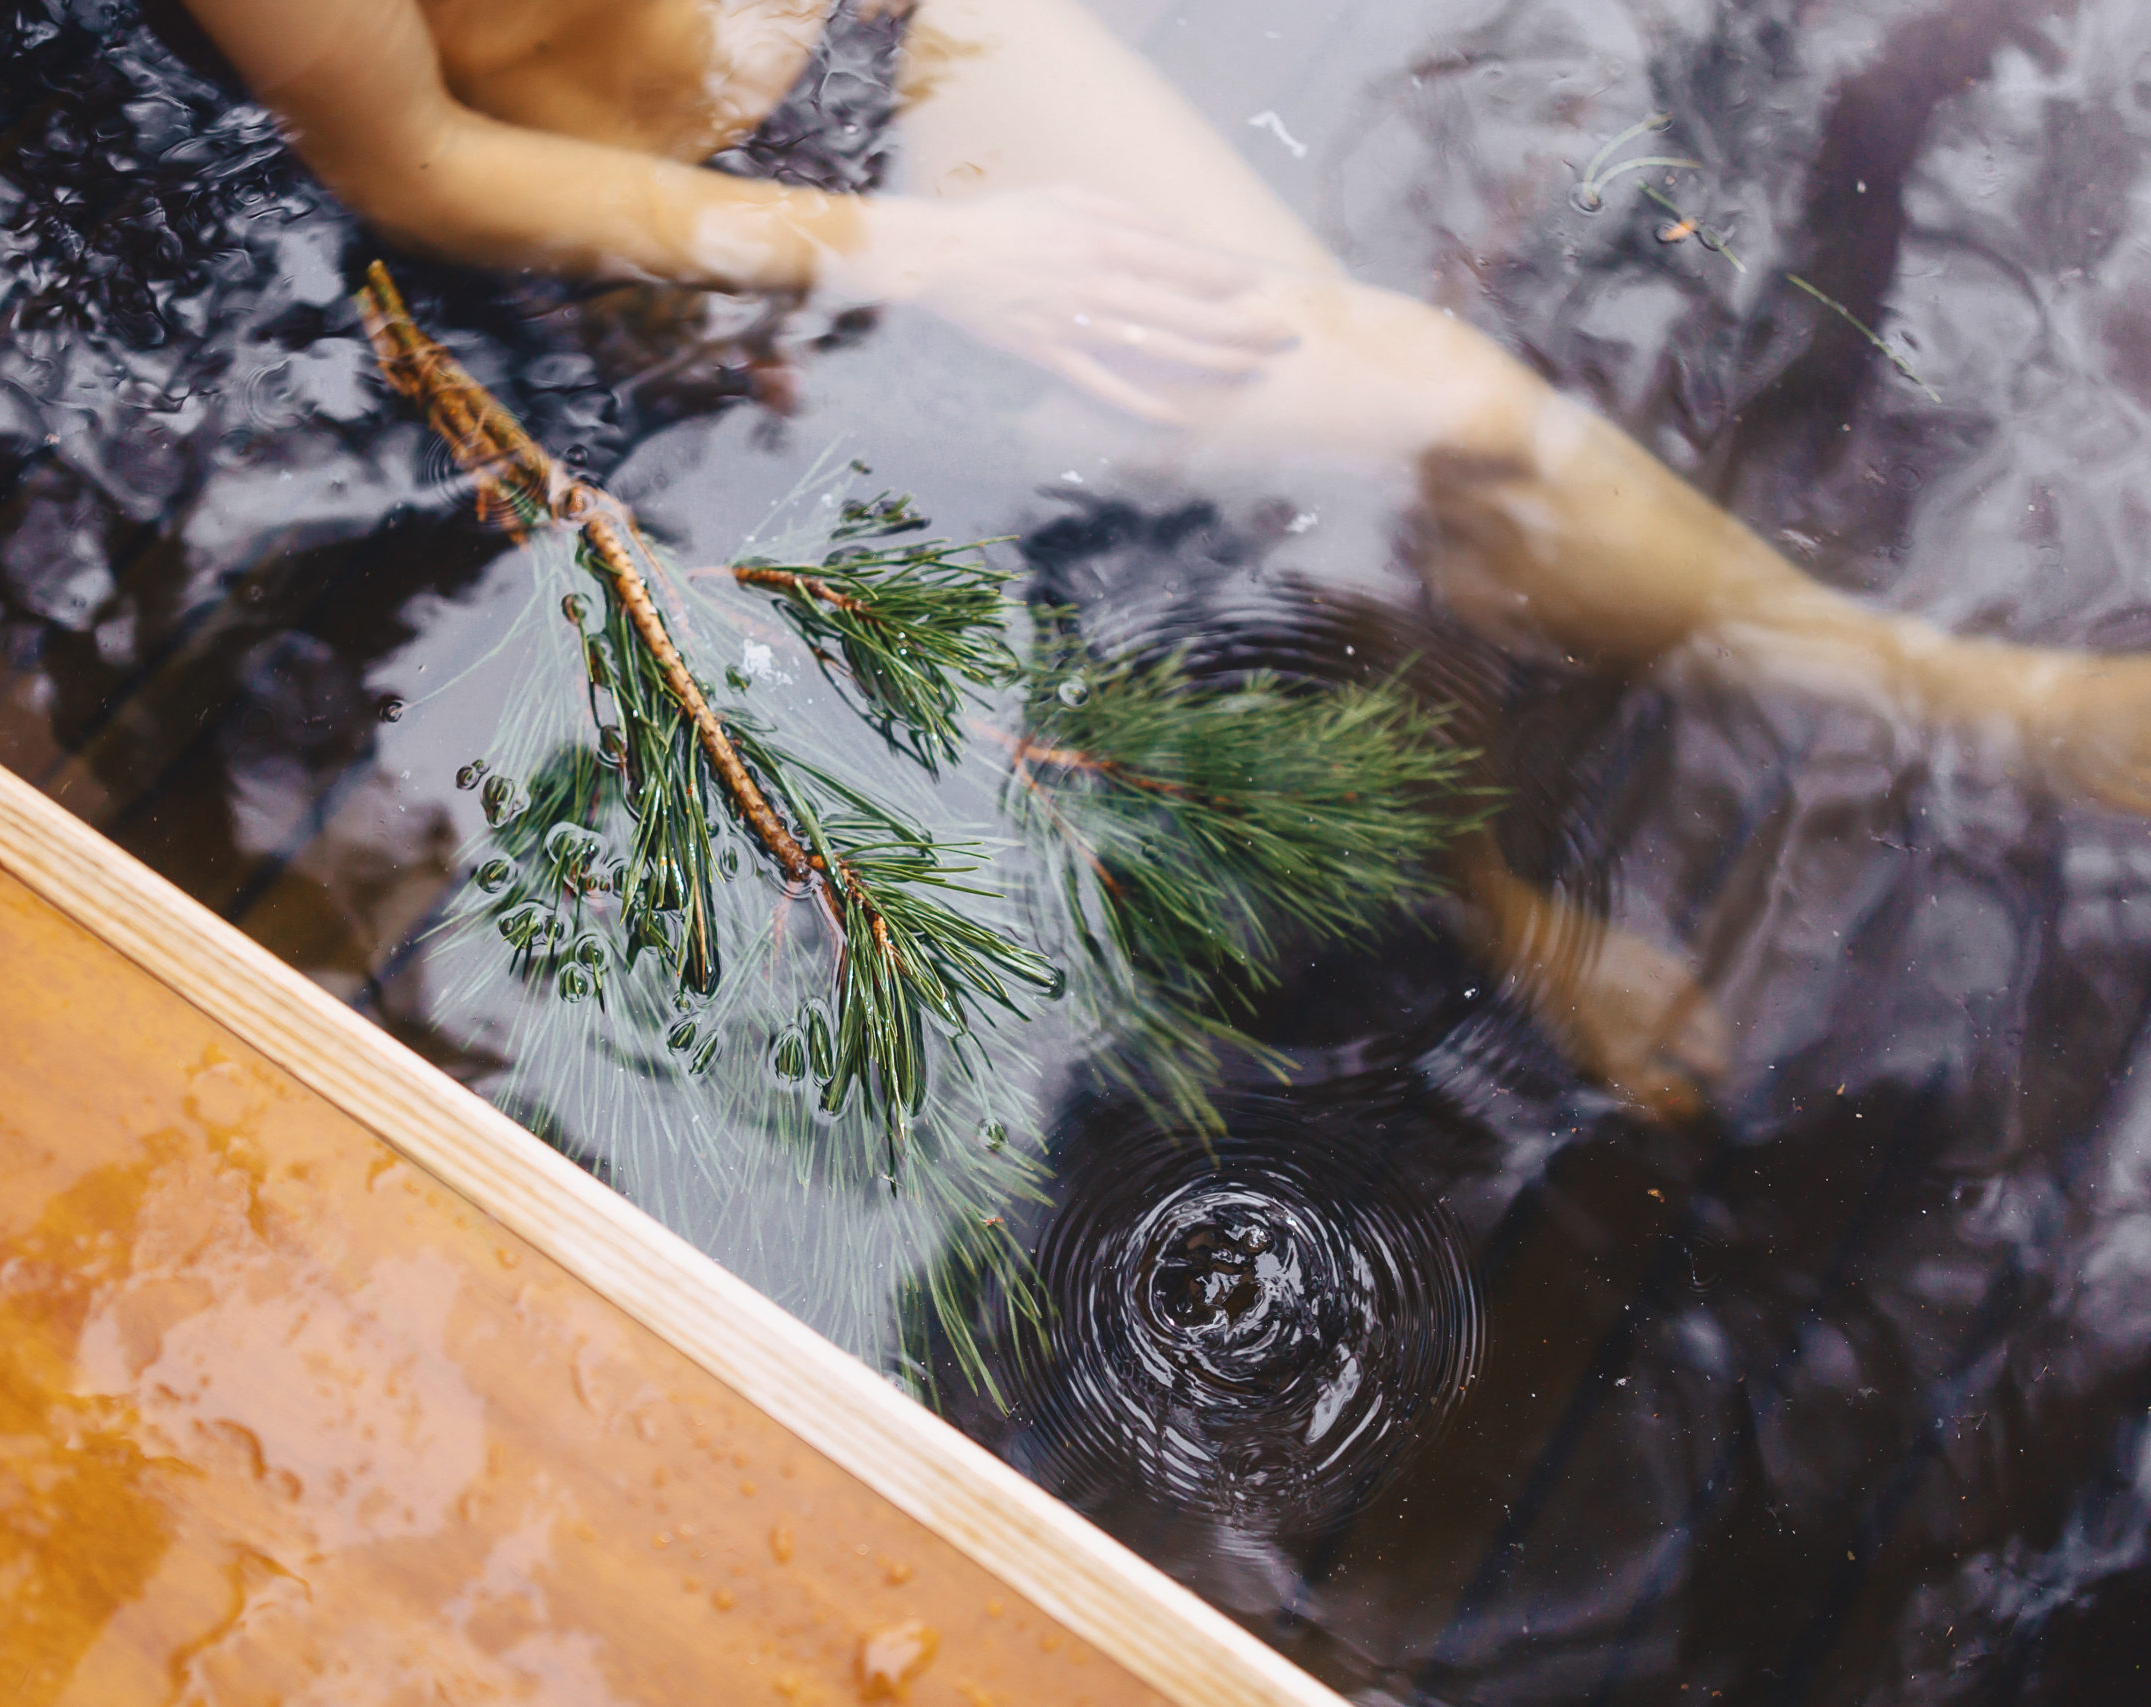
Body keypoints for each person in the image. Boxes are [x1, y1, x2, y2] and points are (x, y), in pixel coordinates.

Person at [176, 0, 2151, 1115]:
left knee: (1421, 401)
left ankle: (1948, 691)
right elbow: (409, 162)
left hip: (894, 38)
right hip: (688, 212)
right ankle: (1493, 902)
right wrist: (922, 258)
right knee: (1146, 568)